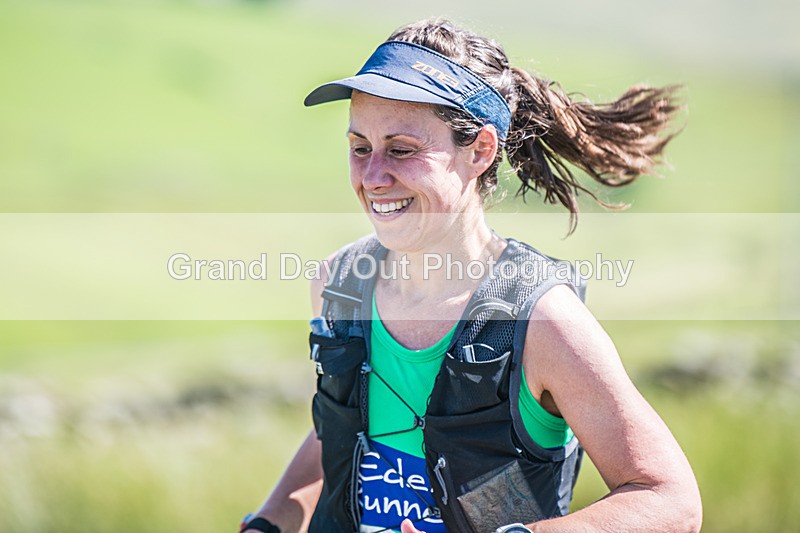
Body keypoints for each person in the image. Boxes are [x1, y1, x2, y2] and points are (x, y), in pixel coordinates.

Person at [241, 18, 702, 533]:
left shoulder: (543, 322)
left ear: (481, 150)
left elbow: (670, 500)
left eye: (401, 149)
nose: (373, 177)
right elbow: (341, 434)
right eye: (359, 147)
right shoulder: (338, 286)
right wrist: (271, 519)